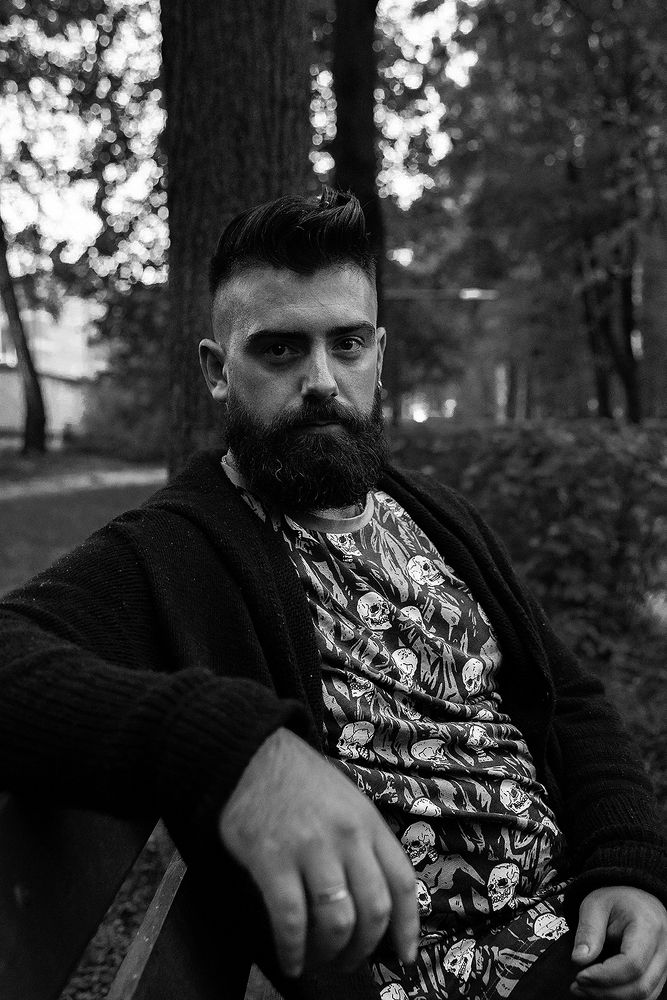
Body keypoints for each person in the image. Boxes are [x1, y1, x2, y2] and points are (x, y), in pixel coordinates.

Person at [0, 189, 665, 1000]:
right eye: (279, 350)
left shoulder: (435, 514)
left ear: (377, 354)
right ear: (216, 370)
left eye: (345, 343)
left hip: (588, 940)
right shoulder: (176, 551)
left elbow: (572, 702)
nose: (320, 381)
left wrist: (628, 867)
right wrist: (240, 755)